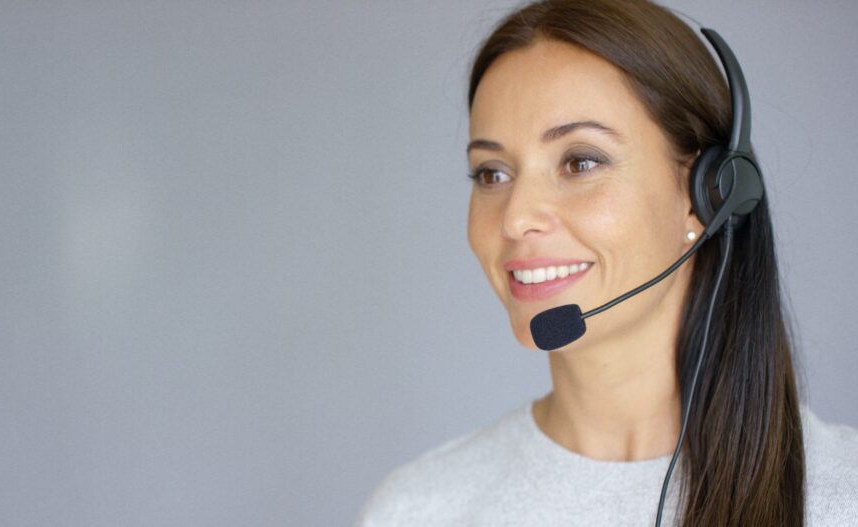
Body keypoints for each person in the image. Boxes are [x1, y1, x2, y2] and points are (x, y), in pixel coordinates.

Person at [354, 0, 858, 525]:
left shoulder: (842, 499)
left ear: (708, 194)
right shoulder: (418, 509)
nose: (515, 218)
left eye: (580, 162)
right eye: (491, 174)